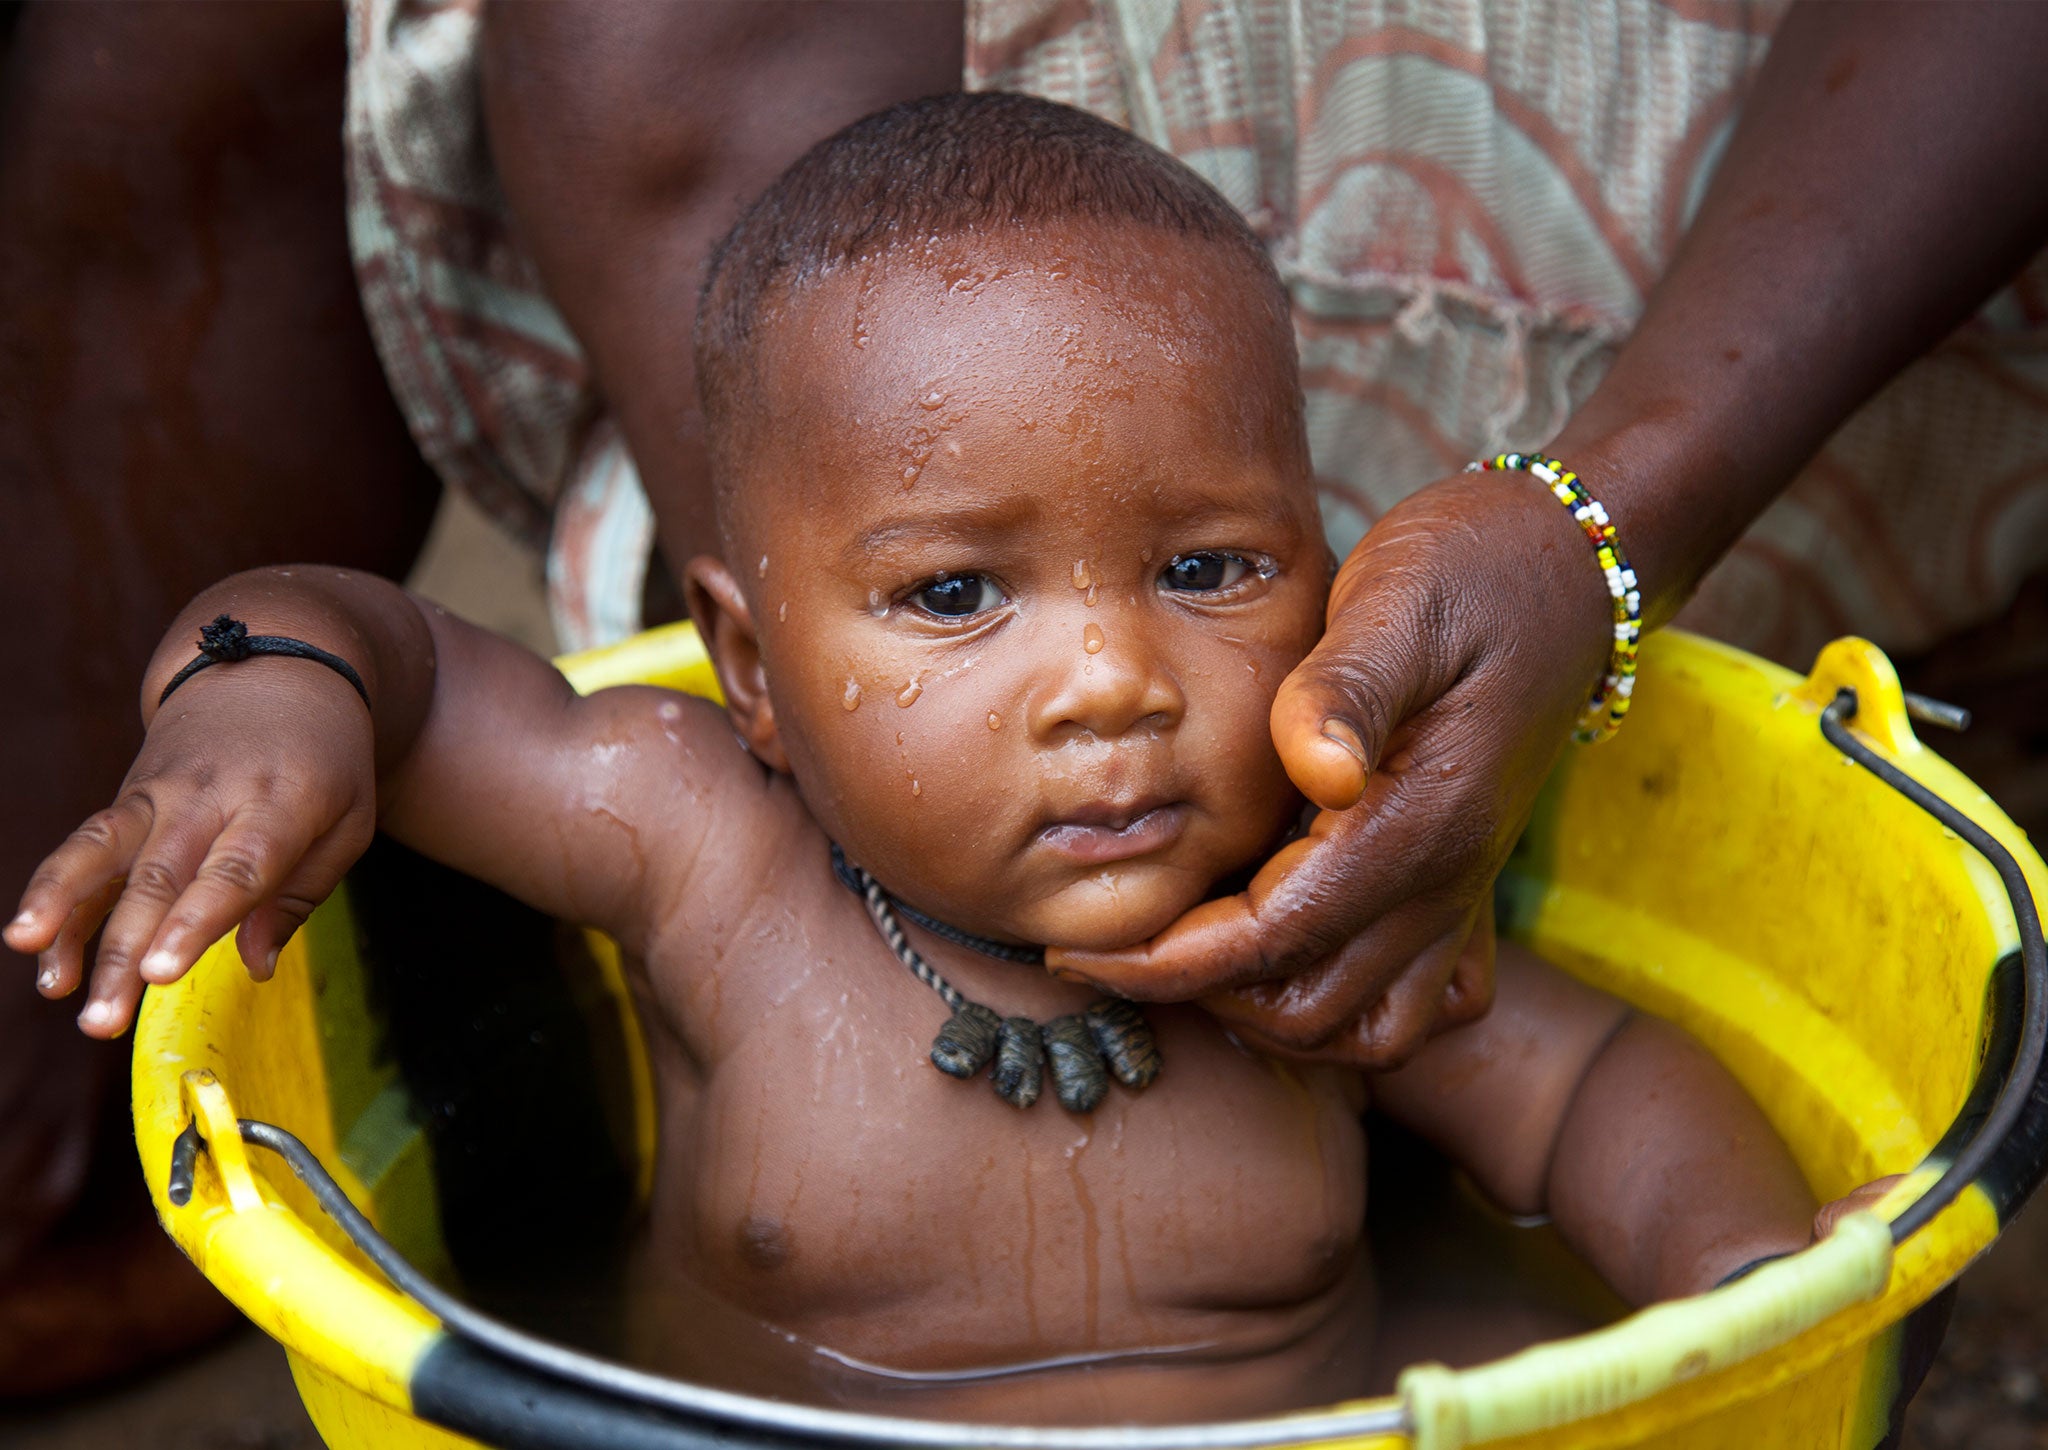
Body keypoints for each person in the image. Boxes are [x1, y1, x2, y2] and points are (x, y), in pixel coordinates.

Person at [9, 96, 1889, 1425]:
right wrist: (257, 697)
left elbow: (1602, 1096)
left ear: (1334, 569)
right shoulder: (703, 856)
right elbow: (391, 663)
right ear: (754, 665)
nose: (1107, 680)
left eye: (1209, 568)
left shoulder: (1329, 922)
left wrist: (1738, 1292)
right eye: (958, 593)